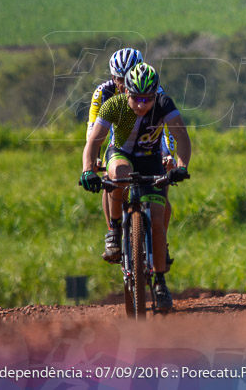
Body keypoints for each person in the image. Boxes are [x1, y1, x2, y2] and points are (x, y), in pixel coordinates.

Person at [80, 62, 191, 312]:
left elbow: (182, 137)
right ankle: (116, 229)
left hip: (151, 159)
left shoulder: (163, 104)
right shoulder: (114, 106)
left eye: (148, 99)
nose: (142, 105)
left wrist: (181, 166)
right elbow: (93, 142)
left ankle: (160, 281)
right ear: (126, 93)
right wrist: (88, 170)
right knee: (118, 174)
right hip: (121, 153)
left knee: (159, 217)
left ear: (155, 95)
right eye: (137, 98)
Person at [85, 48, 177, 264]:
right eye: (118, 78)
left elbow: (167, 129)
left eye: (127, 77)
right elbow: (93, 130)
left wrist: (168, 154)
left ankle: (160, 242)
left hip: (151, 145)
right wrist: (94, 160)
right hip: (119, 145)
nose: (123, 83)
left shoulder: (156, 93)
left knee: (162, 193)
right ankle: (113, 231)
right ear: (112, 77)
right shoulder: (104, 93)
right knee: (113, 179)